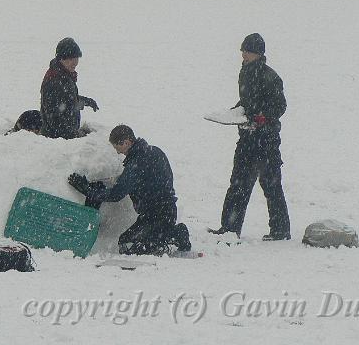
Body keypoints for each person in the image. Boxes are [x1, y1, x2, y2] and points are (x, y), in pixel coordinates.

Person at [209, 33, 291, 241]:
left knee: (271, 185)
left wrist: (262, 117)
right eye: (242, 51)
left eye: (247, 51)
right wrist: (235, 112)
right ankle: (229, 229)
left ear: (258, 54)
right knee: (238, 184)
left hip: (267, 141)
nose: (243, 55)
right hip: (246, 138)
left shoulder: (271, 77)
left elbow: (279, 107)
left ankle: (280, 230)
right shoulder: (245, 72)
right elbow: (246, 100)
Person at [68, 125, 191, 255]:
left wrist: (86, 189)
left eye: (118, 148)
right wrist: (124, 179)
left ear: (126, 142)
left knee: (137, 249)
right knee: (125, 242)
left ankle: (177, 233)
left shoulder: (136, 163)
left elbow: (116, 195)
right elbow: (152, 178)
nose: (118, 152)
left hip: (160, 215)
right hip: (158, 213)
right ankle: (161, 234)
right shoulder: (154, 151)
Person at [40, 37, 98, 139]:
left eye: (76, 58)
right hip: (57, 141)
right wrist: (71, 135)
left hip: (66, 136)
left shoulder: (65, 75)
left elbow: (68, 99)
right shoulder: (54, 80)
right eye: (71, 59)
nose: (75, 62)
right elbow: (53, 116)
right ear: (62, 58)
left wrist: (86, 101)